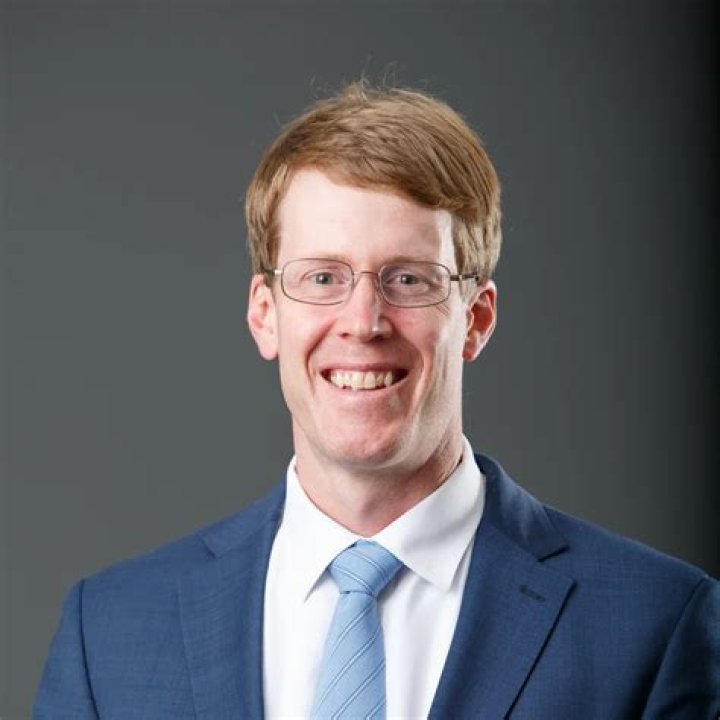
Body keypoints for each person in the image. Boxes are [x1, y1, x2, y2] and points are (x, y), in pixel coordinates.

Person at [35, 81, 718, 719]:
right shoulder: (110, 633)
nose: (363, 322)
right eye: (322, 277)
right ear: (265, 314)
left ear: (476, 319)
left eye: (409, 279)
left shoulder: (656, 626)